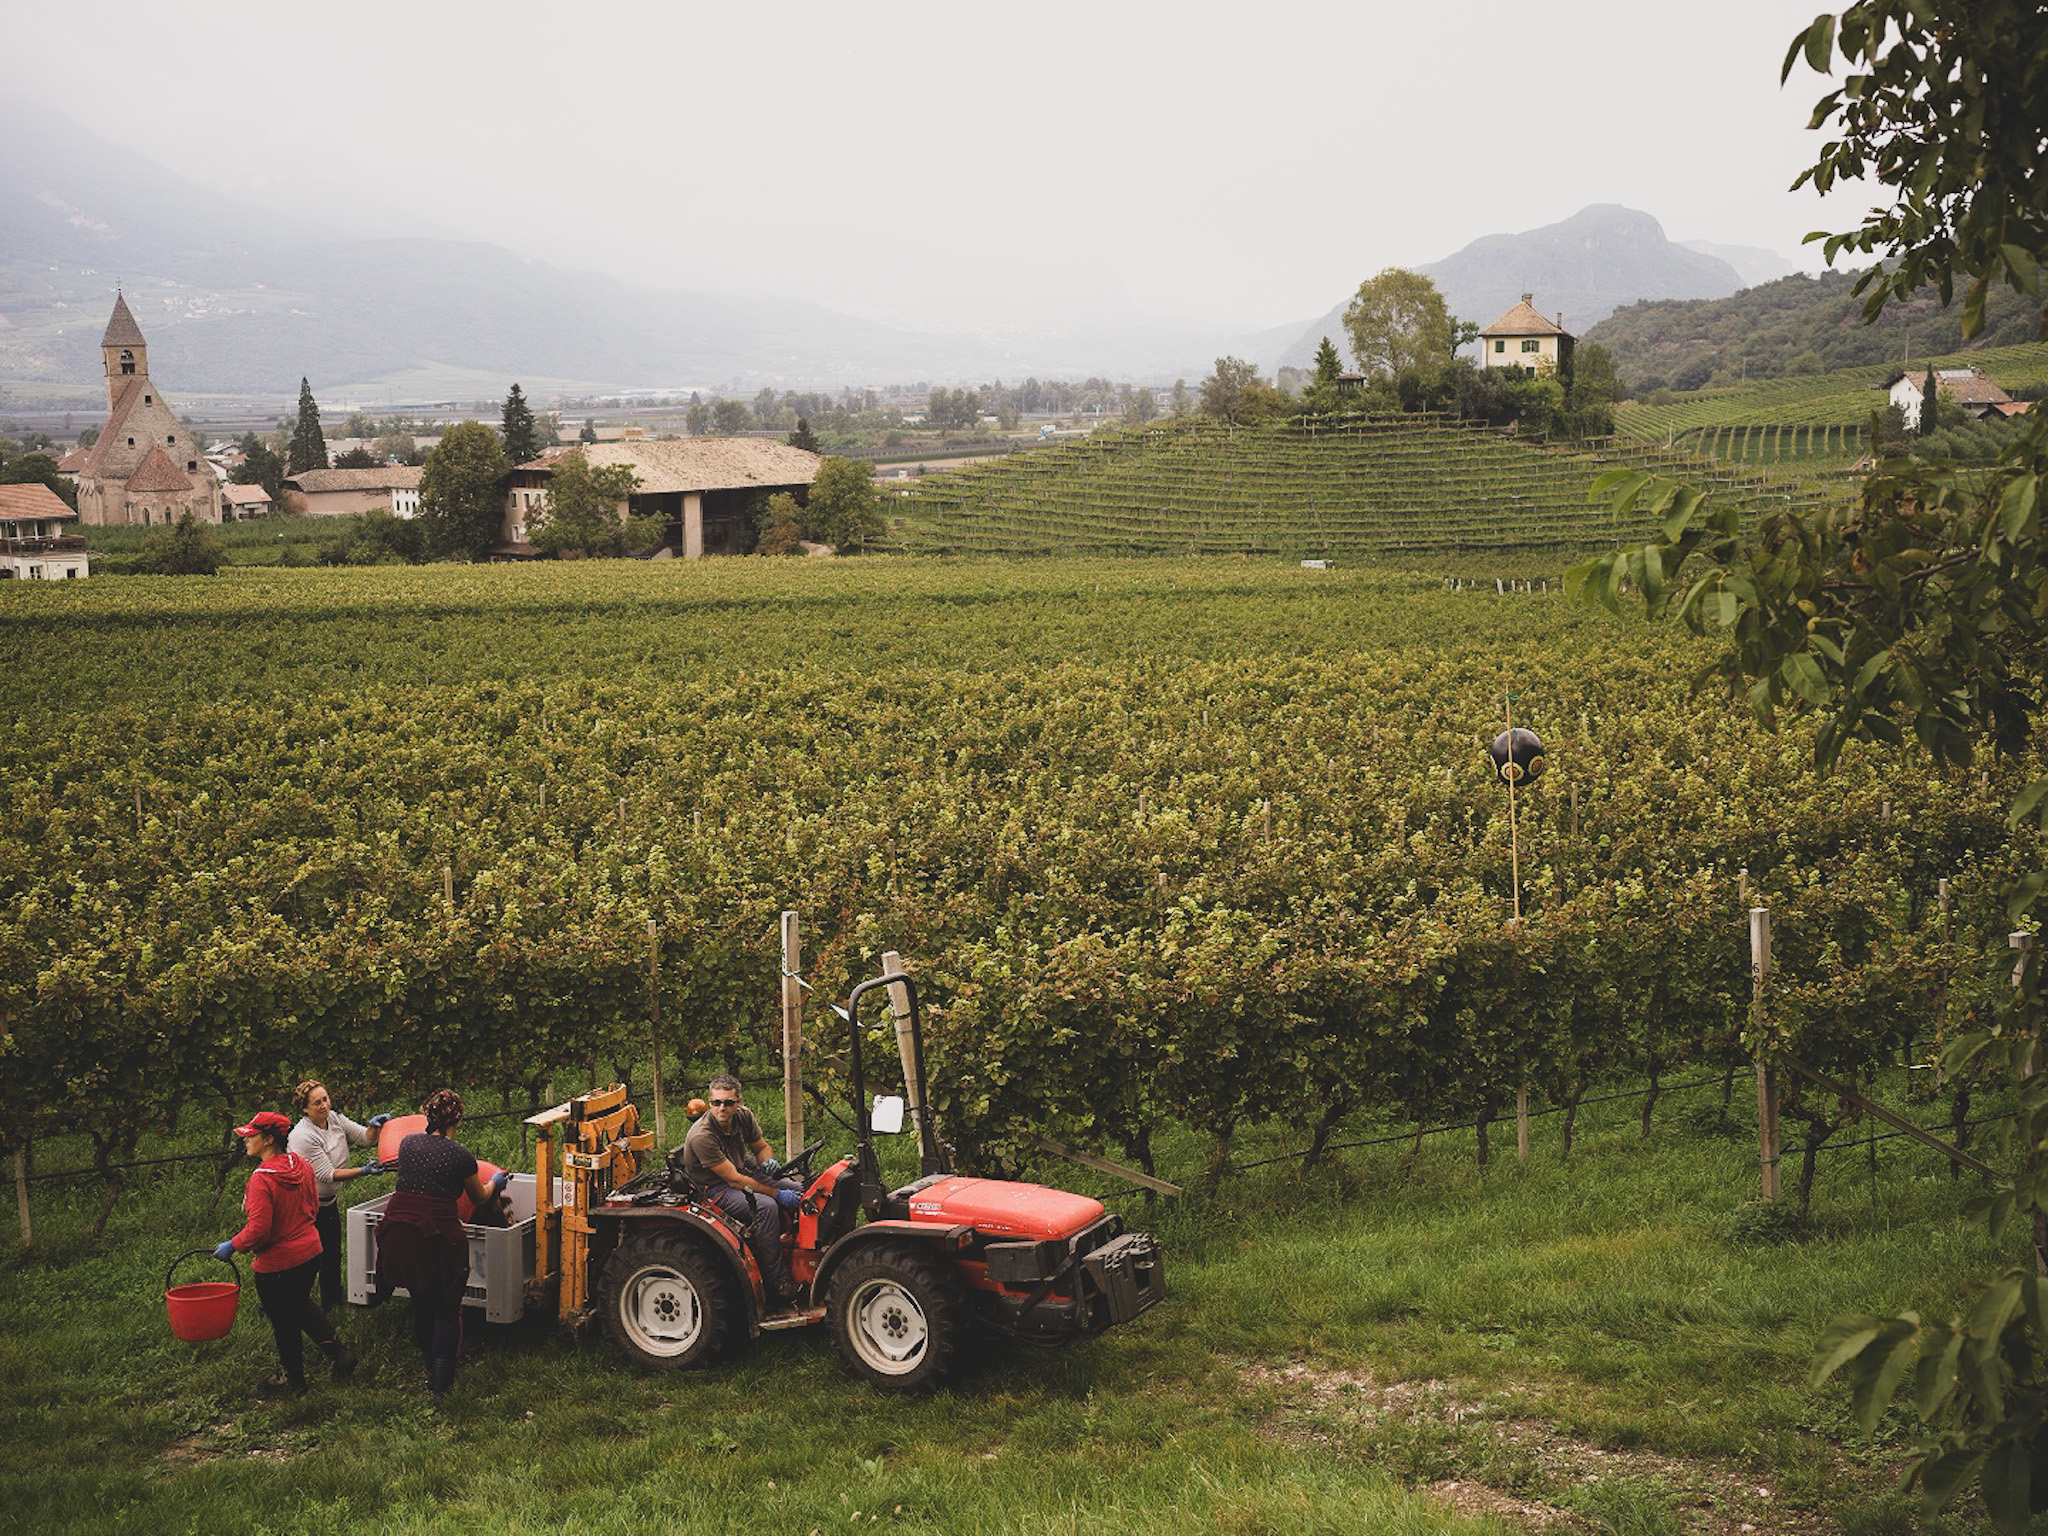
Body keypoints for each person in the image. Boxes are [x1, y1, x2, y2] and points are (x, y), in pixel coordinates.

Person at [372, 1089, 508, 1406]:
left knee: (421, 1303)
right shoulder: (461, 1156)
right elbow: (478, 1197)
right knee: (447, 1309)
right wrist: (497, 1182)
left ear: (427, 1115)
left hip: (400, 1231)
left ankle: (431, 1372)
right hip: (437, 1238)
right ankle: (442, 1388)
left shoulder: (408, 1144)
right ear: (457, 1119)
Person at [214, 1109, 358, 1395]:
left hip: (278, 1265)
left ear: (268, 1139)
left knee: (283, 1319)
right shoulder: (300, 1164)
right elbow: (313, 1204)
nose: (246, 1140)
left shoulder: (261, 1180)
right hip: (310, 1251)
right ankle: (340, 1355)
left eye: (251, 1135)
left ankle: (292, 1379)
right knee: (302, 1304)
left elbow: (259, 1230)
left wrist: (233, 1245)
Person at [681, 1074, 801, 1304]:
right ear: (710, 1102)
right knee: (766, 1207)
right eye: (716, 1103)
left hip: (742, 1170)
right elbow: (734, 1180)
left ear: (738, 1102)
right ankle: (777, 1281)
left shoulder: (744, 1117)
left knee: (803, 1191)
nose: (721, 1108)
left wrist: (767, 1162)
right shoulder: (702, 1136)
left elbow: (761, 1147)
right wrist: (777, 1194)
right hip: (715, 1187)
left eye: (728, 1102)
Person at [287, 1079, 393, 1312]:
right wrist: (363, 1171)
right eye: (316, 1103)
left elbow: (364, 1138)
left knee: (332, 1254)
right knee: (305, 1258)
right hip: (304, 1205)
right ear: (305, 1108)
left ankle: (332, 1306)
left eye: (325, 1099)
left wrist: (375, 1126)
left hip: (327, 1202)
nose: (324, 1105)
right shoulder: (303, 1136)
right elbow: (327, 1174)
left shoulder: (333, 1119)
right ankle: (282, 1302)